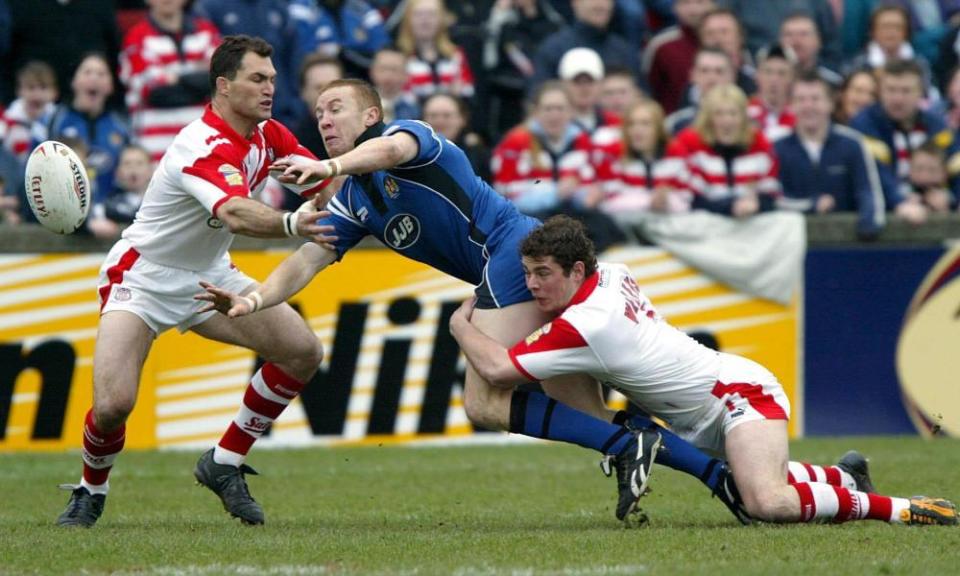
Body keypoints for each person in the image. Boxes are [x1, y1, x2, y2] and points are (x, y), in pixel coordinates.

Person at [197, 78, 755, 524]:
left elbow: (390, 149)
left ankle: (631, 443)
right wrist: (254, 300)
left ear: (370, 115)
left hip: (512, 254)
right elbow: (306, 260)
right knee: (586, 414)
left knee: (485, 403)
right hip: (514, 265)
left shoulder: (407, 139)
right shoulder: (354, 203)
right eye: (318, 111)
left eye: (336, 106)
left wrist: (333, 167)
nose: (323, 118)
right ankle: (721, 477)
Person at [449, 214, 959, 527]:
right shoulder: (611, 274)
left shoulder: (587, 324)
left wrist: (460, 325)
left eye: (543, 275)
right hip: (711, 403)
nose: (533, 286)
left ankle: (902, 508)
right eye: (528, 275)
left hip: (739, 395)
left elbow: (495, 368)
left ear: (577, 271)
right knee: (763, 480)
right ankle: (843, 475)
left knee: (766, 502)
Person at [55, 35, 335, 529]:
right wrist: (293, 224)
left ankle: (224, 463)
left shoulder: (268, 135)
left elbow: (319, 183)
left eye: (272, 79)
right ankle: (90, 490)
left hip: (208, 275)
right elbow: (234, 212)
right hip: (143, 276)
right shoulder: (199, 144)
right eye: (257, 78)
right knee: (113, 406)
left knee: (303, 352)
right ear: (223, 87)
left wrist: (353, 188)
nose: (270, 88)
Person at [775, 73, 885, 239]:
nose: (808, 106)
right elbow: (773, 201)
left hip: (848, 245)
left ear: (831, 103)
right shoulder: (777, 148)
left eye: (815, 99)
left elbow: (868, 192)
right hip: (791, 243)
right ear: (791, 105)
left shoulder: (853, 143)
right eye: (801, 100)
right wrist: (811, 205)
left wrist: (868, 226)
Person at [850, 60, 958, 224]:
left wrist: (952, 198)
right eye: (891, 90)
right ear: (880, 92)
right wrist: (900, 201)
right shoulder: (864, 124)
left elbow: (955, 166)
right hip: (885, 219)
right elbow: (875, 174)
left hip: (932, 211)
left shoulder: (937, 125)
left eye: (906, 91)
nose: (898, 99)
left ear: (921, 93)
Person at [121, 0, 221, 162]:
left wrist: (175, 77)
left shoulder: (206, 31)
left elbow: (219, 81)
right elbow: (155, 92)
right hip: (154, 153)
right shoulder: (137, 37)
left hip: (205, 148)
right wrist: (197, 78)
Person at [666, 84, 780, 217]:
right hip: (706, 223)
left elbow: (771, 196)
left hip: (750, 222)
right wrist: (731, 207)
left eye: (733, 113)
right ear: (708, 118)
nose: (727, 120)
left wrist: (757, 204)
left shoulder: (760, 145)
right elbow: (691, 200)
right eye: (719, 114)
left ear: (743, 117)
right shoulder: (690, 145)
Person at [40, 53, 130, 211]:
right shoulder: (53, 120)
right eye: (87, 72)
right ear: (74, 82)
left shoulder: (122, 125)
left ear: (110, 86)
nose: (94, 78)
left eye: (101, 74)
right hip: (63, 209)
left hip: (112, 213)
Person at [642, 0, 715, 114]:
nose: (693, 10)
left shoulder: (726, 40)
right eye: (685, 3)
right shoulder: (661, 46)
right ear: (675, 8)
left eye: (700, 2)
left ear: (713, 5)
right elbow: (648, 92)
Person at [396, 0, 475, 103]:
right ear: (407, 19)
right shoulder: (398, 57)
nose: (425, 20)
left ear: (441, 19)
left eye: (431, 14)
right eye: (418, 14)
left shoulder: (456, 55)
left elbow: (468, 91)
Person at [85, 144, 154, 240]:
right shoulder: (107, 204)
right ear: (118, 171)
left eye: (139, 163)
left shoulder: (161, 201)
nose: (133, 168)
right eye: (127, 163)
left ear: (150, 170)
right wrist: (89, 224)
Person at [665, 47, 735, 135]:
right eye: (704, 71)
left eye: (719, 71)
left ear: (732, 76)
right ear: (692, 75)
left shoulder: (747, 120)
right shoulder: (675, 123)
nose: (712, 78)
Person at [2, 61, 58, 162]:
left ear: (54, 92)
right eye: (31, 87)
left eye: (43, 87)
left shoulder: (60, 121)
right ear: (19, 91)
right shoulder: (6, 122)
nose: (37, 94)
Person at [747, 44, 796, 143]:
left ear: (792, 78)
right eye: (768, 72)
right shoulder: (745, 112)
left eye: (781, 73)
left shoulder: (799, 116)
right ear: (757, 76)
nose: (774, 79)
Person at [779, 12, 843, 88]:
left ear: (818, 41)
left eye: (803, 34)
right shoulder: (766, 83)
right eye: (789, 34)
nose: (796, 41)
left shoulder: (834, 84)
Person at [370, 47, 421, 124]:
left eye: (394, 69)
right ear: (372, 71)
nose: (388, 75)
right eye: (383, 69)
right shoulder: (363, 104)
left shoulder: (415, 106)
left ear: (406, 75)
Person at [908, 141, 955, 212]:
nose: (925, 177)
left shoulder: (953, 200)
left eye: (932, 170)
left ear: (944, 174)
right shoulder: (900, 195)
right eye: (919, 169)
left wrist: (946, 210)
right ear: (910, 171)